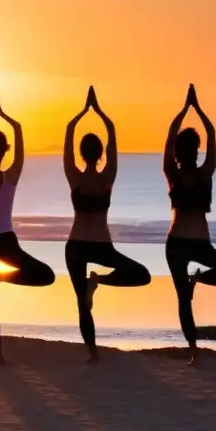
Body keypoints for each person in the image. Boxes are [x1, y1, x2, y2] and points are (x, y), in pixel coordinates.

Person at [64, 86, 150, 363]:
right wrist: (99, 112)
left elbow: (67, 138)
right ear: (99, 154)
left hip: (77, 245)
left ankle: (93, 354)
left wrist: (81, 114)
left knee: (81, 303)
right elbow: (113, 138)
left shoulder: (75, 177)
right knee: (141, 274)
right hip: (100, 246)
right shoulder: (106, 178)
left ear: (82, 153)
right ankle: (99, 281)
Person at [0, 90, 55, 364]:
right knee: (46, 275)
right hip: (3, 241)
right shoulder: (11, 174)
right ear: (4, 152)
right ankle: (1, 278)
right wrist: (4, 116)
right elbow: (18, 136)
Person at [163, 84, 216, 363]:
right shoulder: (179, 173)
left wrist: (186, 110)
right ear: (187, 151)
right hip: (179, 245)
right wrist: (195, 109)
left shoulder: (199, 173)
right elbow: (209, 134)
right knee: (184, 298)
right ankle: (193, 350)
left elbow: (203, 136)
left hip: (196, 244)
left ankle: (197, 279)